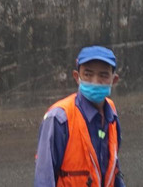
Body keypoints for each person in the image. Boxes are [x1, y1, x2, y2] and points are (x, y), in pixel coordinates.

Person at [34, 45, 124, 187]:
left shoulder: (111, 113)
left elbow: (113, 168)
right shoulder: (59, 118)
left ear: (114, 80)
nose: (95, 81)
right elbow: (44, 177)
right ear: (77, 77)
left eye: (103, 75)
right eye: (88, 74)